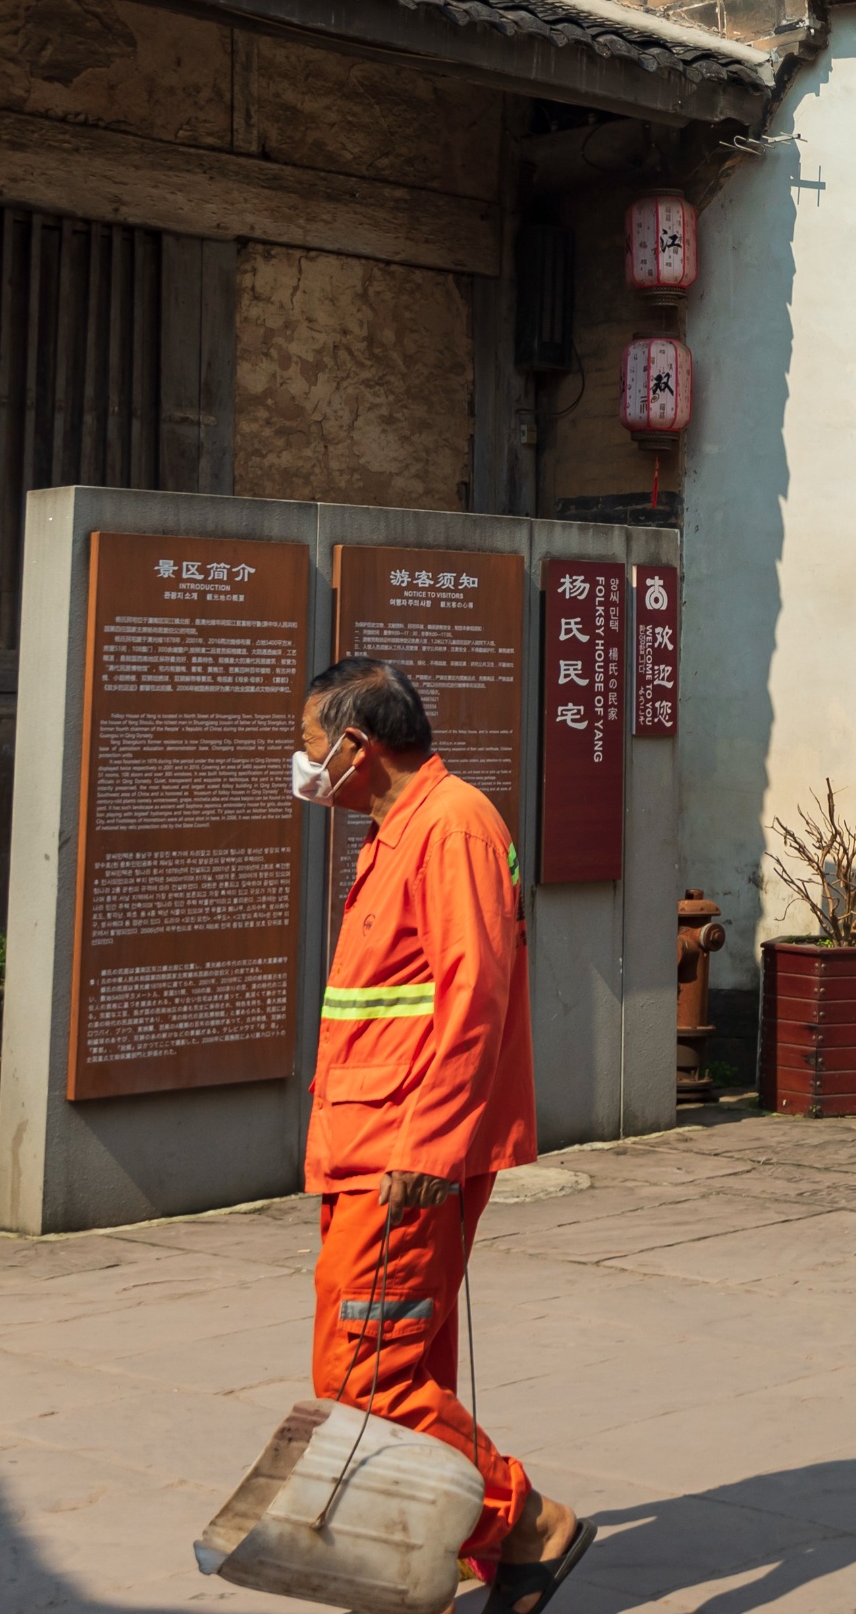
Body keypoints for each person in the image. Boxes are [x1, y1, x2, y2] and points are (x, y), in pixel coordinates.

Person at [295, 655, 595, 1610]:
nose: (304, 770)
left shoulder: (452, 824)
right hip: (369, 1144)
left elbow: (473, 996)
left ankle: (523, 1521)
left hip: (404, 1151)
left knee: (364, 1373)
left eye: (311, 749)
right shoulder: (402, 826)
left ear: (356, 743)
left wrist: (430, 1145)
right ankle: (422, 1555)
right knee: (400, 1361)